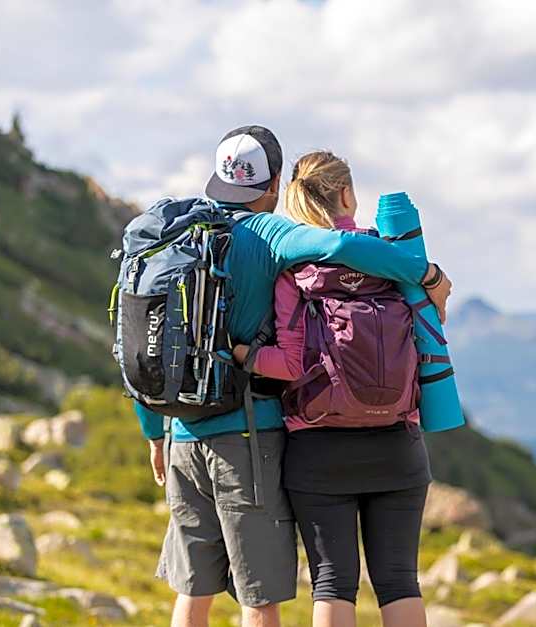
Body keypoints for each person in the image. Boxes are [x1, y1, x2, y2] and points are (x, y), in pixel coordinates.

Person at [137, 128, 451, 627]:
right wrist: (425, 274)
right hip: (246, 436)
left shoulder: (176, 236)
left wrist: (155, 432)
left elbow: (147, 340)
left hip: (180, 435)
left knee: (193, 590)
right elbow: (344, 247)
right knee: (258, 597)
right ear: (275, 182)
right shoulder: (272, 235)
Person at [232, 151, 438, 627]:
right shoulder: (397, 258)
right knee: (399, 580)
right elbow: (430, 330)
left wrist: (243, 355)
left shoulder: (294, 269)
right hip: (397, 446)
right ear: (347, 194)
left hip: (319, 450)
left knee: (332, 580)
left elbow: (287, 363)